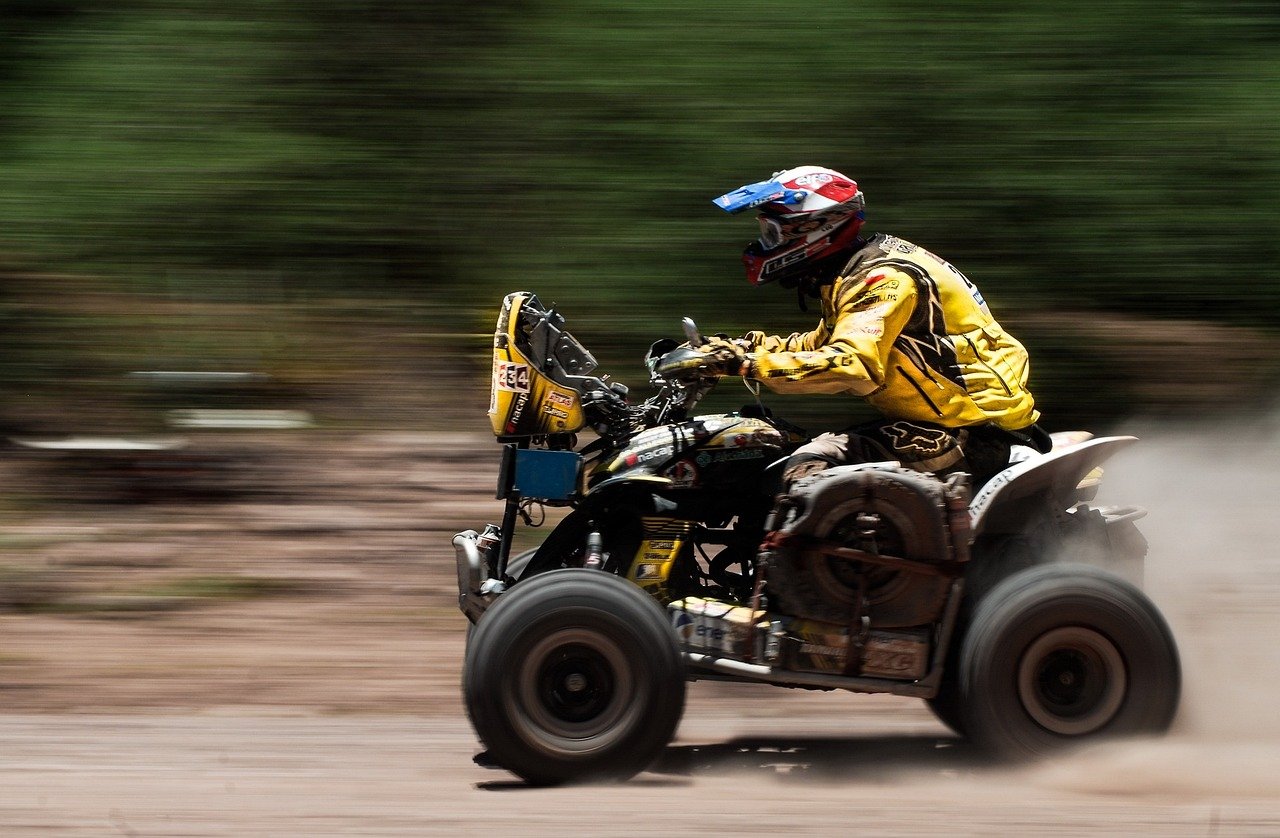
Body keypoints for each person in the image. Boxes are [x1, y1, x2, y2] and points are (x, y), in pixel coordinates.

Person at [685, 165, 1050, 488]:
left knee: (804, 473)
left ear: (814, 228)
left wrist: (741, 364)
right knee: (778, 450)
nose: (763, 245)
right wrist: (731, 349)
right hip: (950, 428)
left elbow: (852, 366)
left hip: (977, 437)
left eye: (773, 233)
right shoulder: (856, 271)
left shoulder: (882, 277)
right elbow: (820, 345)